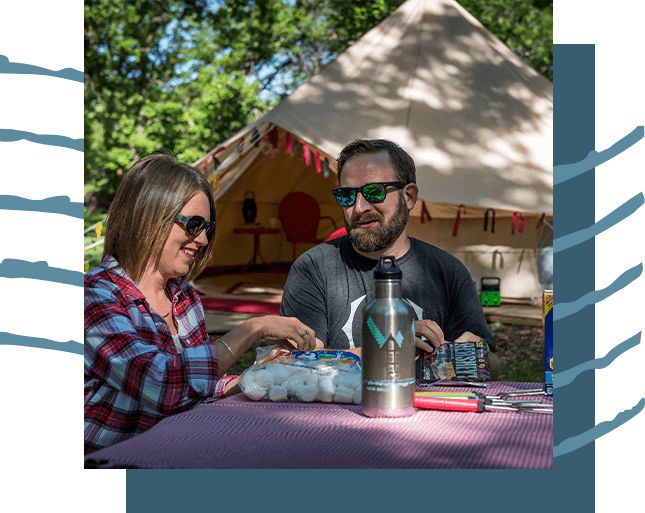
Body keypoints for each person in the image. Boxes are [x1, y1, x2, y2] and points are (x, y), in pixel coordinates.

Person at [84, 153, 318, 455]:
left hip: (169, 452)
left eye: (207, 227)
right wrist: (252, 328)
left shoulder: (185, 298)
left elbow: (196, 389)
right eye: (194, 224)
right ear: (148, 215)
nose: (204, 239)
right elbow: (161, 385)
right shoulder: (95, 295)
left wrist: (271, 376)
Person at [280, 139, 501, 380]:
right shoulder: (314, 268)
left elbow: (494, 366)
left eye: (374, 192)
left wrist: (477, 355)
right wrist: (391, 348)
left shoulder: (447, 271)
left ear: (409, 196)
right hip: (338, 414)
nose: (360, 207)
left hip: (428, 413)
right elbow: (296, 366)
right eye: (347, 196)